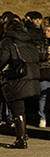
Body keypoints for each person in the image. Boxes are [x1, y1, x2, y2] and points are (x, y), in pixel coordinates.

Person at [0, 17, 41, 149]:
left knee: (17, 108)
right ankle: (23, 134)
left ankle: (21, 139)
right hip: (31, 77)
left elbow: (2, 59)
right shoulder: (29, 40)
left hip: (16, 77)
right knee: (21, 108)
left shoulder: (7, 40)